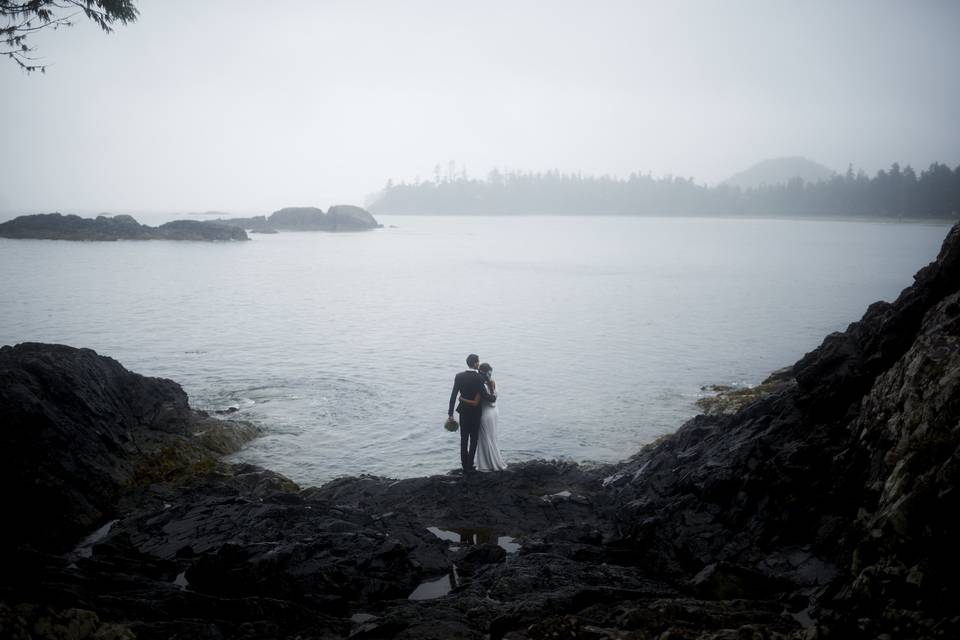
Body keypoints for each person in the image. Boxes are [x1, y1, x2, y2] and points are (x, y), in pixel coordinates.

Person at [448, 354, 496, 472]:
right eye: (478, 362)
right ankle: (470, 465)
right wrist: (493, 397)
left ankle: (464, 465)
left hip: (463, 412)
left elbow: (453, 396)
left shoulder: (459, 376)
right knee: (474, 439)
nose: (478, 364)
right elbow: (485, 395)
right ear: (475, 363)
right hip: (475, 413)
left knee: (464, 439)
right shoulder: (479, 378)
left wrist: (450, 414)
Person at [462, 362, 507, 472]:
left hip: (485, 414)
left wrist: (462, 399)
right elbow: (493, 399)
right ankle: (495, 461)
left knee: (484, 439)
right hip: (494, 412)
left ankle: (486, 464)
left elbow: (475, 403)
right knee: (492, 437)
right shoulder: (493, 383)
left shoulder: (481, 386)